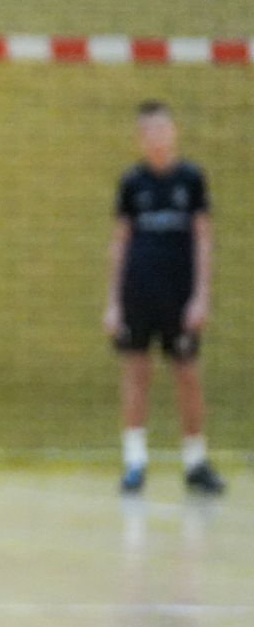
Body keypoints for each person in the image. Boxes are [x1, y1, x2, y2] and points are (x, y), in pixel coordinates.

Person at [106, 101, 222, 494]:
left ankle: (195, 462)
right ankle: (135, 461)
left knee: (187, 376)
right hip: (137, 296)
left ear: (173, 132)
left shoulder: (191, 179)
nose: (155, 137)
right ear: (140, 138)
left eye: (162, 129)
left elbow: (203, 241)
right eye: (147, 131)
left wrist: (201, 297)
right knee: (136, 375)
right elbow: (119, 244)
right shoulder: (131, 183)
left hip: (179, 298)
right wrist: (113, 302)